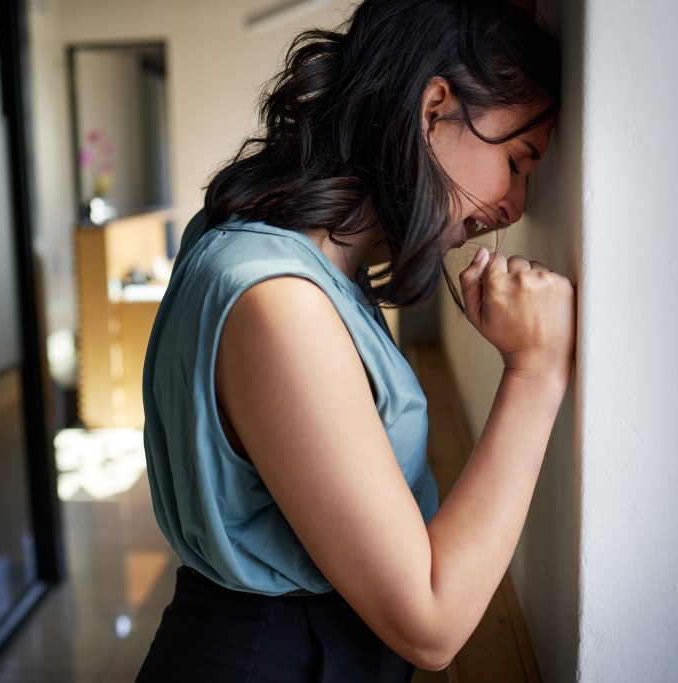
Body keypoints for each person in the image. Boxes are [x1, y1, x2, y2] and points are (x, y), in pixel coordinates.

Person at [137, 0, 574, 680]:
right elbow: (431, 623)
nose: (516, 204)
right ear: (434, 109)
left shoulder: (289, 260)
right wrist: (536, 371)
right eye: (517, 160)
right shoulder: (278, 302)